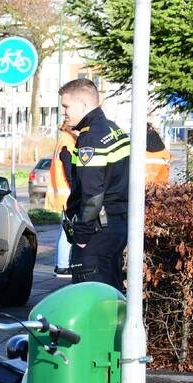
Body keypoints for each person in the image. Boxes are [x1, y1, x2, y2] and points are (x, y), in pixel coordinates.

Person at [60, 78, 129, 292]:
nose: (64, 113)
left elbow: (92, 194)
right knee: (111, 291)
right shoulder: (113, 129)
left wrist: (82, 235)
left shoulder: (90, 138)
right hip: (117, 226)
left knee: (89, 296)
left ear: (83, 105)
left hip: (98, 232)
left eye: (66, 107)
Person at [46, 121, 78, 277]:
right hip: (67, 194)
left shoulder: (63, 140)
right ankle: (63, 266)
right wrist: (76, 190)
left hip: (62, 194)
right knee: (68, 231)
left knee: (64, 230)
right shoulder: (68, 142)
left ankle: (61, 264)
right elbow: (69, 170)